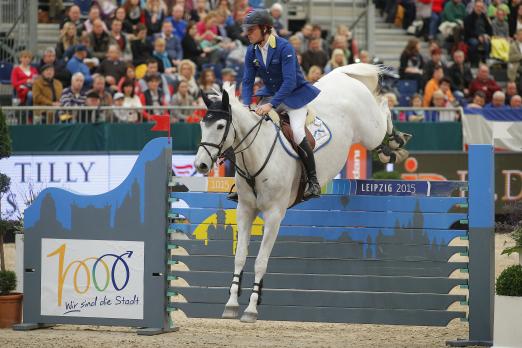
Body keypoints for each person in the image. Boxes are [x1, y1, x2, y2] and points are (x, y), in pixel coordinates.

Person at [241, 9, 321, 200]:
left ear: (265, 29)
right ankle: (245, 184)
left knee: (298, 132)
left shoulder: (284, 47)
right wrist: (246, 106)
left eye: (251, 29)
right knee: (250, 129)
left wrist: (271, 105)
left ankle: (313, 181)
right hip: (270, 95)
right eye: (247, 30)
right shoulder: (251, 50)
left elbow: (289, 82)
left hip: (293, 97)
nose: (247, 33)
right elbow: (247, 81)